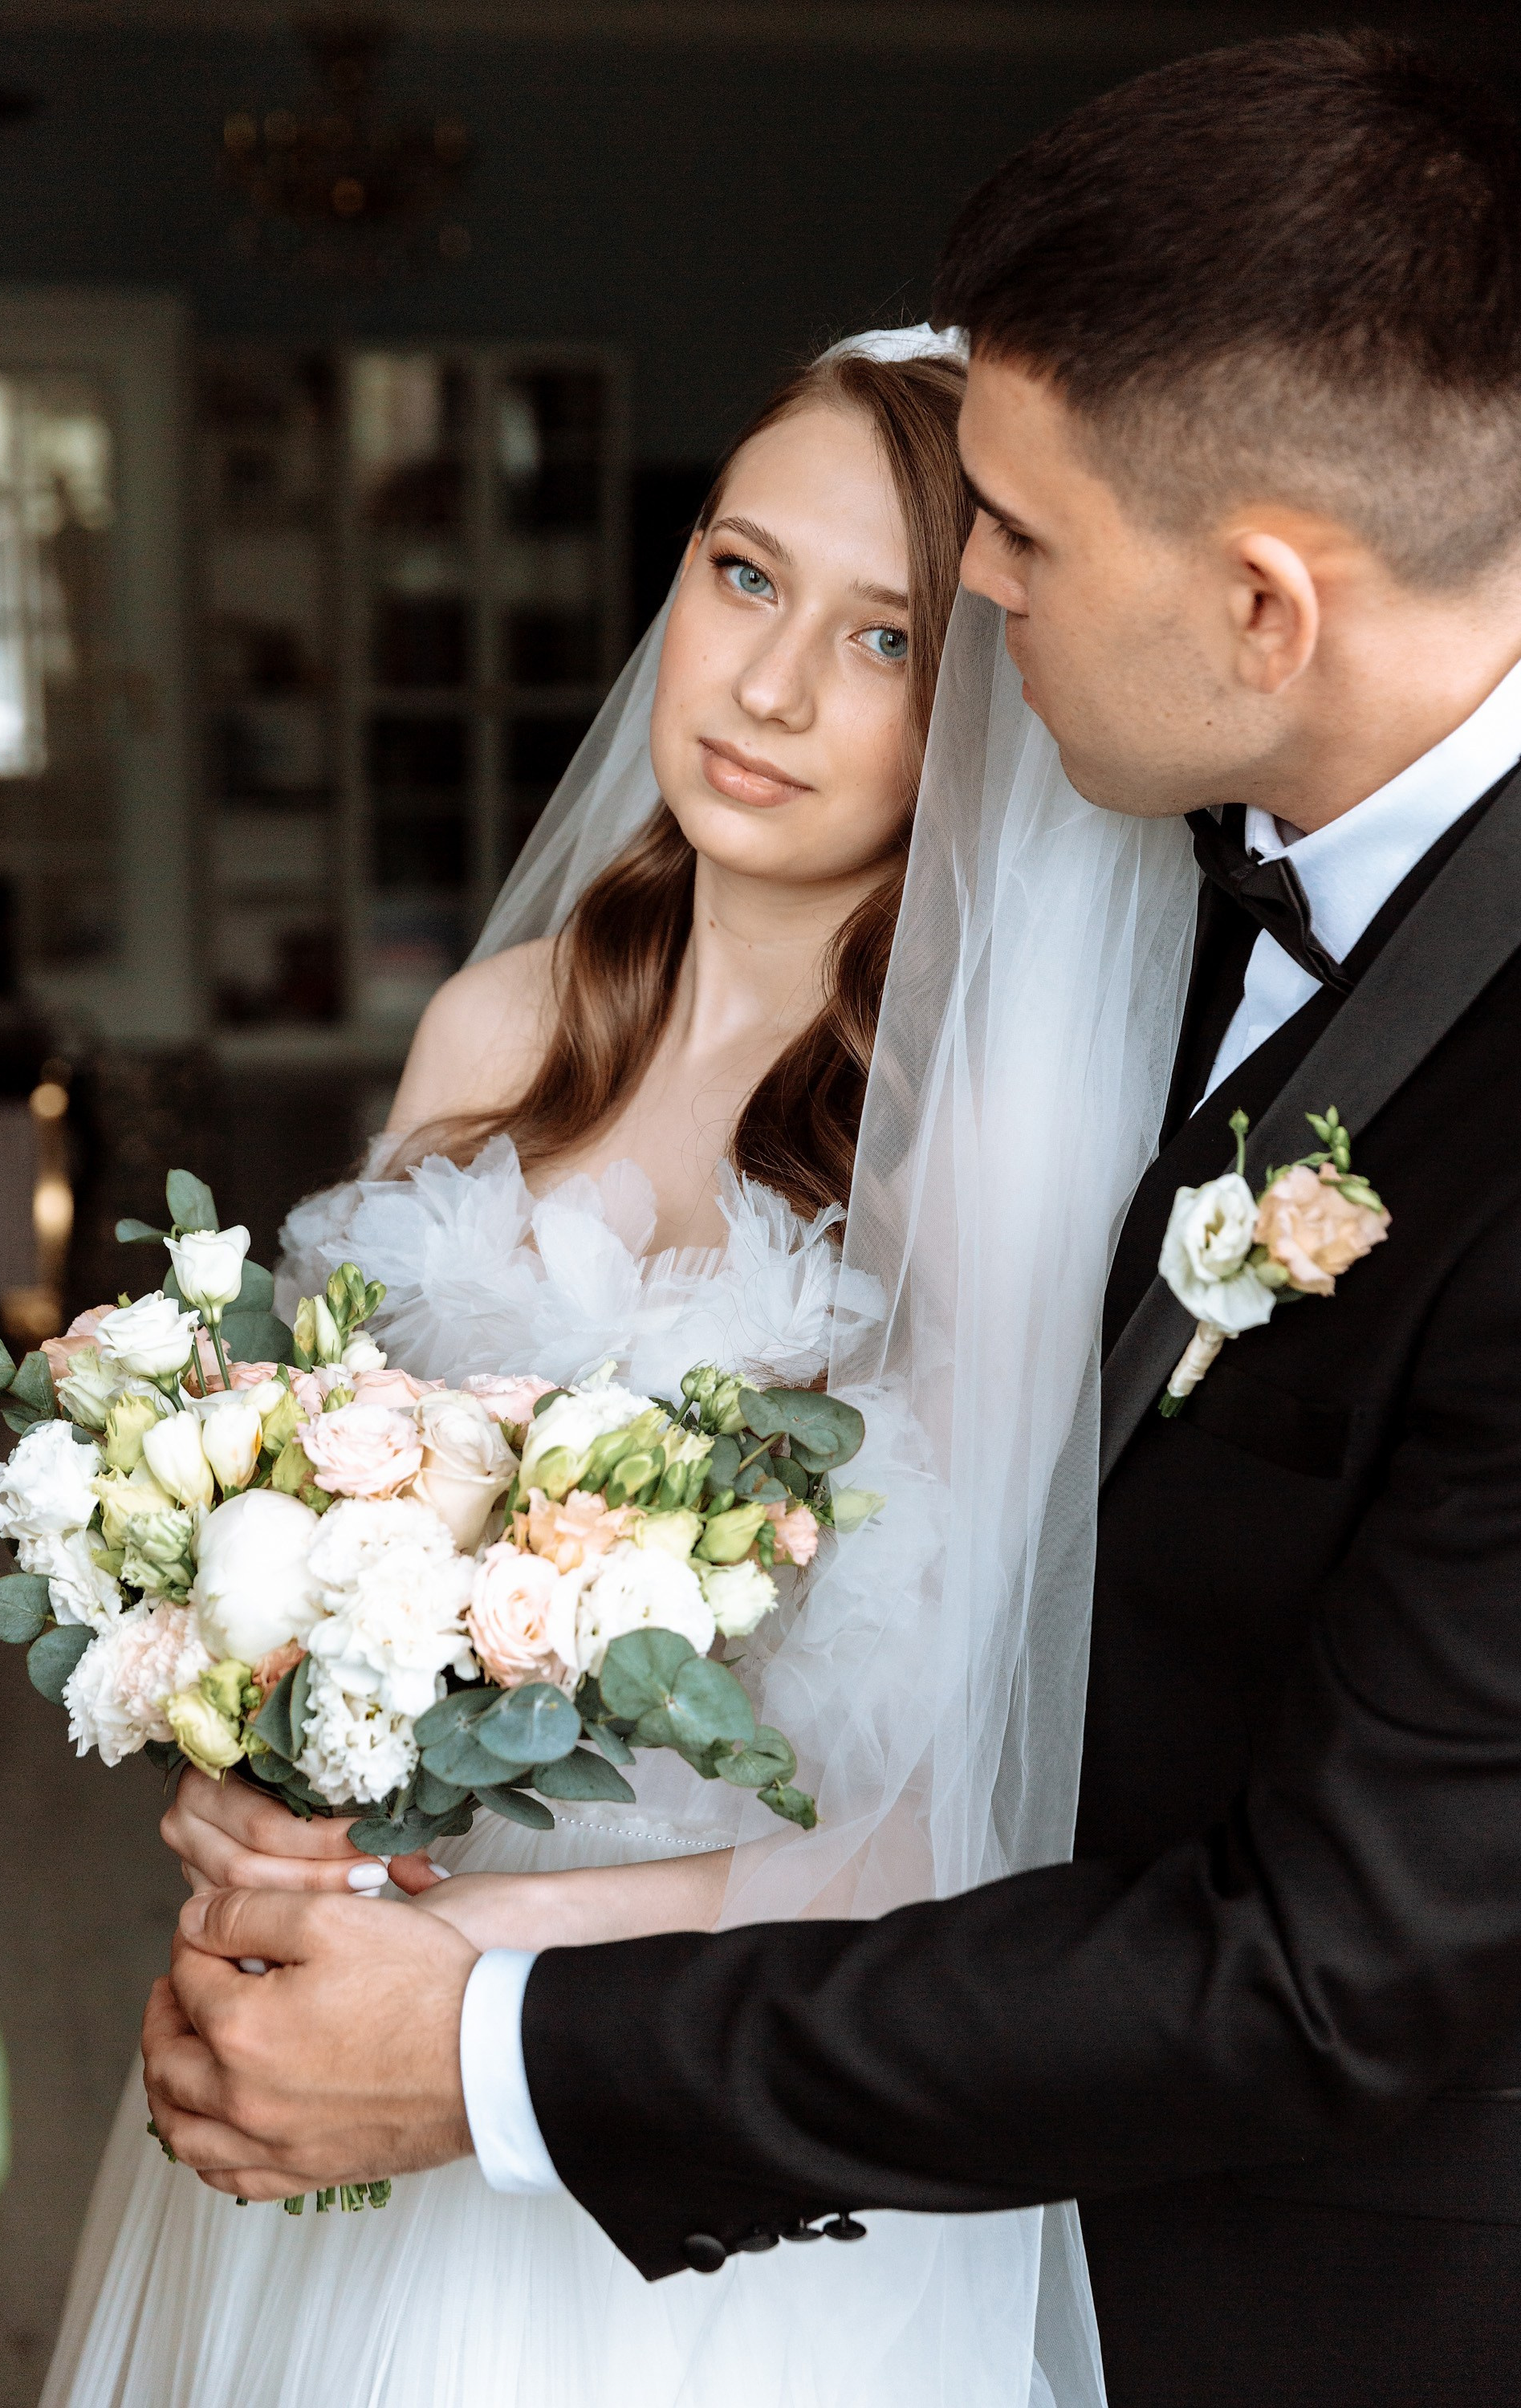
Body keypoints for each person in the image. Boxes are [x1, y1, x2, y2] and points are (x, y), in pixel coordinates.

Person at [140, 32, 1521, 2408]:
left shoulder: (1035, 1086)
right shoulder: (1200, 900)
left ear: (1268, 603)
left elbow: (1280, 1933)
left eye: (983, 575)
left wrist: (490, 2024)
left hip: (978, 2188)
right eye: (744, 572)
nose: (954, 617)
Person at [47, 335, 1194, 2406]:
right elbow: (332, 1563)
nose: (764, 688)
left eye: (881, 638)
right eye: (743, 576)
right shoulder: (490, 1032)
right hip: (352, 2041)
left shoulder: (984, 1154)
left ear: (991, 702)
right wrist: (260, 1794)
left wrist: (454, 1980)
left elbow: (963, 1826)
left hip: (699, 2153)